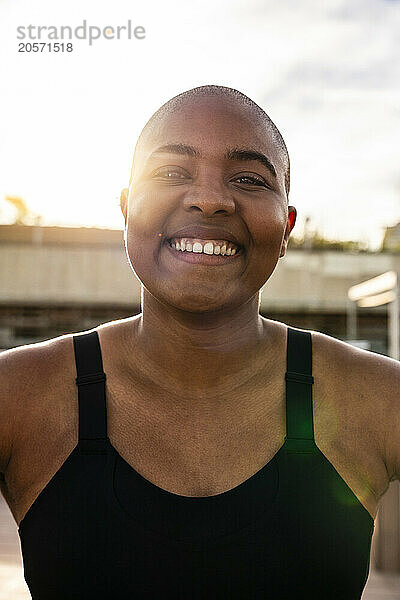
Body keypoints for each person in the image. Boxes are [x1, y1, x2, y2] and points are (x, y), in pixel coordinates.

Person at [0, 84, 399, 599]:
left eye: (249, 179)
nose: (210, 199)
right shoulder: (18, 395)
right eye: (171, 173)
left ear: (286, 228)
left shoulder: (378, 398)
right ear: (126, 209)